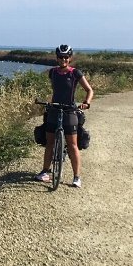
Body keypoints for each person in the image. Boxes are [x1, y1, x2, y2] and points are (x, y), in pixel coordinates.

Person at [38, 44, 94, 188]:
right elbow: (57, 91)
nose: (63, 59)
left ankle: (77, 177)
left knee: (72, 145)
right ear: (56, 58)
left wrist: (86, 103)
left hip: (70, 110)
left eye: (66, 57)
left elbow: (89, 90)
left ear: (70, 58)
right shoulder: (53, 73)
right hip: (55, 109)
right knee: (49, 142)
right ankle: (45, 171)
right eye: (60, 57)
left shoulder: (75, 73)